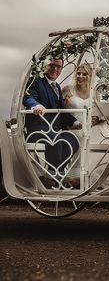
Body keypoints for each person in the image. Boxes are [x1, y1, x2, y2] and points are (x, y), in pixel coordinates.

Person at [23, 57, 81, 188]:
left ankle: (51, 176)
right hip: (39, 129)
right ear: (45, 66)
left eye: (59, 67)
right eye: (52, 65)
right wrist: (36, 106)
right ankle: (59, 177)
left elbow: (61, 112)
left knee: (73, 139)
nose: (55, 69)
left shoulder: (57, 87)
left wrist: (76, 122)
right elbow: (28, 97)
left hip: (54, 130)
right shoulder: (36, 82)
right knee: (56, 139)